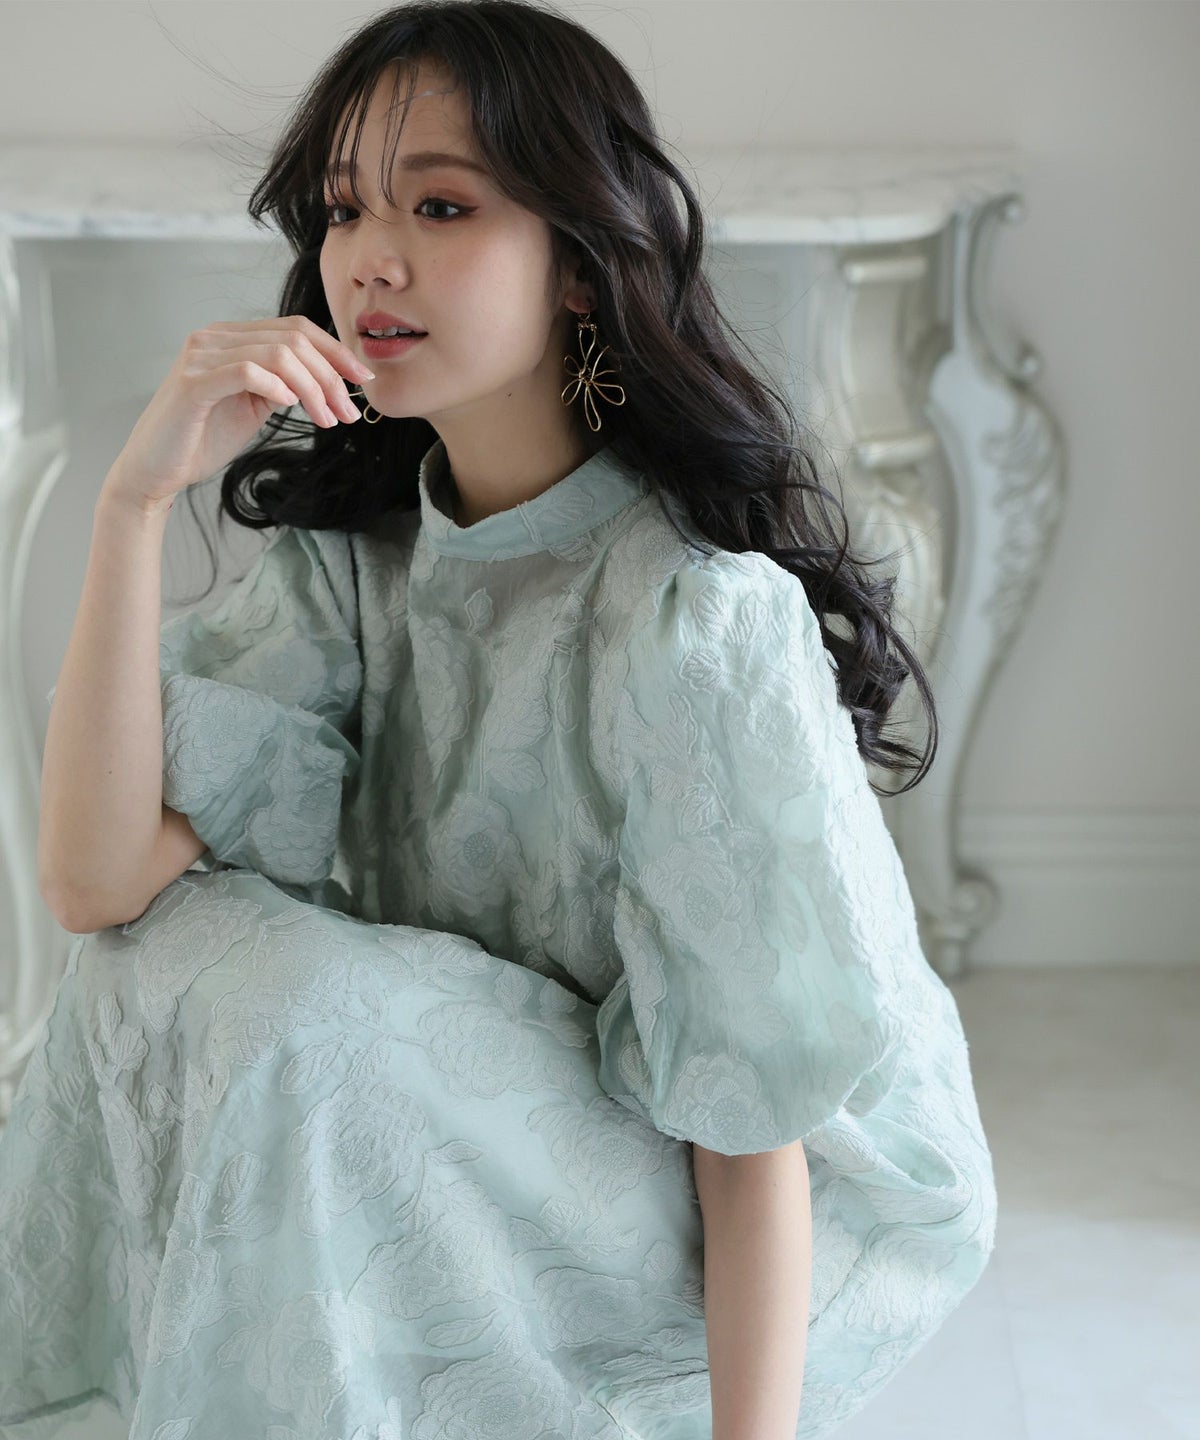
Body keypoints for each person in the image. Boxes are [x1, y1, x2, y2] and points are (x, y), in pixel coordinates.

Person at [0, 3, 998, 1437]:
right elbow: (96, 887)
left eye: (442, 206)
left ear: (582, 264)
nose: (370, 257)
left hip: (725, 1202)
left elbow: (753, 1127)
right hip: (496, 1125)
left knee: (306, 1014)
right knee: (157, 964)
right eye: (345, 208)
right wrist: (133, 500)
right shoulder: (360, 557)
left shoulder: (693, 617)